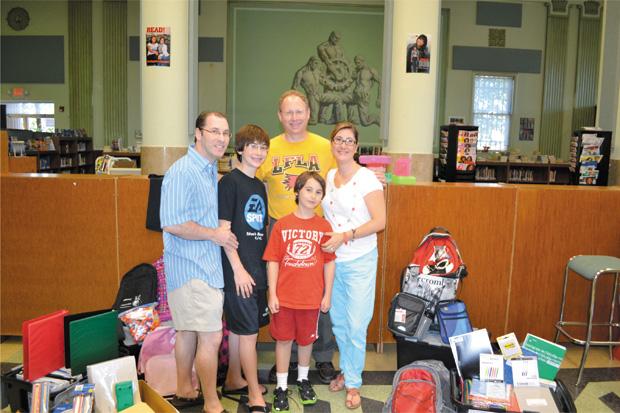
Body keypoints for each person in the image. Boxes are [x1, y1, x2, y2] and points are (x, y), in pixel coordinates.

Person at [256, 90, 339, 385]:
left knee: (317, 294)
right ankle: (289, 360)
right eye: (288, 112)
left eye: (299, 111)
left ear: (308, 113)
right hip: (280, 226)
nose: (294, 117)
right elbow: (250, 173)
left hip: (317, 228)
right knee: (285, 295)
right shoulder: (269, 147)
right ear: (280, 116)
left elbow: (345, 171)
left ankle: (324, 356)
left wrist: (377, 175)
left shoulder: (325, 146)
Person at [160, 111, 238, 413]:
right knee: (211, 336)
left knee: (188, 331)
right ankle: (212, 402)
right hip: (193, 268)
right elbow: (173, 222)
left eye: (226, 133)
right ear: (198, 134)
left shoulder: (207, 169)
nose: (221, 138)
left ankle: (185, 387)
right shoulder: (183, 171)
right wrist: (215, 235)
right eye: (215, 131)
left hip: (196, 268)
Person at [320, 122, 385, 410]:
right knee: (340, 324)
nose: (343, 145)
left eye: (349, 140)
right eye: (338, 139)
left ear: (356, 147)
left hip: (360, 259)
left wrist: (346, 235)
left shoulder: (368, 179)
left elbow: (380, 222)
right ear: (332, 144)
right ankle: (347, 371)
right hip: (333, 262)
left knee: (357, 324)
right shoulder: (330, 175)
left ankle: (354, 383)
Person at [263, 171, 336, 412]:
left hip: (311, 299)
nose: (313, 196)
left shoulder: (324, 226)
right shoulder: (282, 225)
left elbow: (329, 262)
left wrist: (327, 294)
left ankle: (304, 380)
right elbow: (272, 260)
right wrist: (272, 294)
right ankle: (282, 386)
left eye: (318, 192)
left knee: (306, 342)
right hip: (284, 298)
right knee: (283, 341)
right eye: (308, 189)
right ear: (297, 191)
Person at [218, 124, 270, 412]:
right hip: (237, 271)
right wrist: (238, 269)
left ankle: (234, 379)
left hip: (256, 268)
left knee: (241, 331)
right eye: (252, 146)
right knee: (250, 334)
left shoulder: (258, 185)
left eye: (263, 147)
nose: (258, 152)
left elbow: (258, 231)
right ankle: (253, 394)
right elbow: (224, 231)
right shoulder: (229, 183)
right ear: (239, 149)